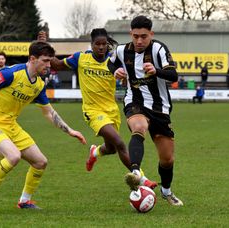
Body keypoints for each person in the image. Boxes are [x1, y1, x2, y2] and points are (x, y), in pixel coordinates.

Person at [0, 41, 87, 214]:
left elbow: (49, 113)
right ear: (33, 59)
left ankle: (25, 201)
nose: (49, 65)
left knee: (40, 162)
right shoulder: (11, 73)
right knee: (13, 156)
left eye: (50, 61)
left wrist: (70, 130)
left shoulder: (39, 84)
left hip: (11, 126)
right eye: (46, 61)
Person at [50, 28, 157, 189]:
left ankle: (95, 152)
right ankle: (142, 179)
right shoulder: (81, 58)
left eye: (104, 44)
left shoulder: (114, 61)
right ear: (91, 45)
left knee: (112, 148)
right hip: (93, 111)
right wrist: (45, 47)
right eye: (97, 44)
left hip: (112, 110)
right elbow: (57, 65)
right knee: (120, 143)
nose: (101, 47)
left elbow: (129, 77)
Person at [108, 15, 183, 206]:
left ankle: (166, 191)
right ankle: (135, 173)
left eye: (143, 36)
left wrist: (156, 70)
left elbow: (173, 74)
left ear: (151, 34)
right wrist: (115, 71)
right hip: (135, 100)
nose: (139, 40)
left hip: (160, 107)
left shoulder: (158, 48)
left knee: (167, 159)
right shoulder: (121, 50)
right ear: (130, 34)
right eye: (135, 36)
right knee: (138, 126)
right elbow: (111, 62)